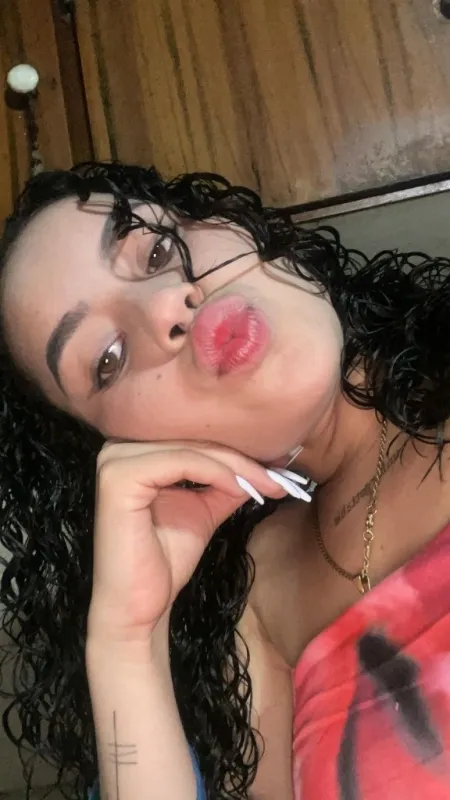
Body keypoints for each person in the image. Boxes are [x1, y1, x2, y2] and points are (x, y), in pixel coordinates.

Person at [1, 161, 450, 800]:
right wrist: (127, 644)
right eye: (108, 359)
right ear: (117, 450)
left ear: (236, 224)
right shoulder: (256, 607)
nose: (165, 305)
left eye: (158, 248)